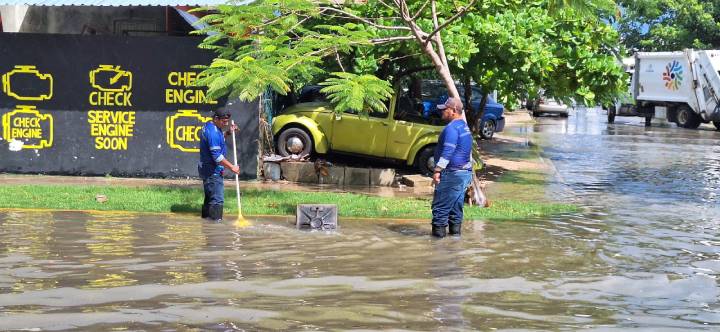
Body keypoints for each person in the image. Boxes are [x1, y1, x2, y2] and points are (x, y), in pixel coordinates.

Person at [431, 97, 473, 238]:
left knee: (440, 210)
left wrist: (437, 170)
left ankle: (438, 249)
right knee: (455, 209)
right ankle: (455, 244)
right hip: (463, 173)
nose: (442, 111)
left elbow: (448, 151)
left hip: (452, 174)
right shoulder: (464, 127)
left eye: (445, 109)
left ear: (454, 111)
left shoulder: (452, 128)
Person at [198, 109, 240, 222]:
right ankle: (215, 227)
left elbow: (219, 138)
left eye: (227, 121)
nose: (226, 124)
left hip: (205, 168)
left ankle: (205, 222)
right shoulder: (213, 133)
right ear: (216, 119)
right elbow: (217, 157)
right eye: (223, 121)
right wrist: (232, 167)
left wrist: (228, 133)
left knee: (209, 198)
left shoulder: (210, 126)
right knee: (217, 200)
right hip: (212, 171)